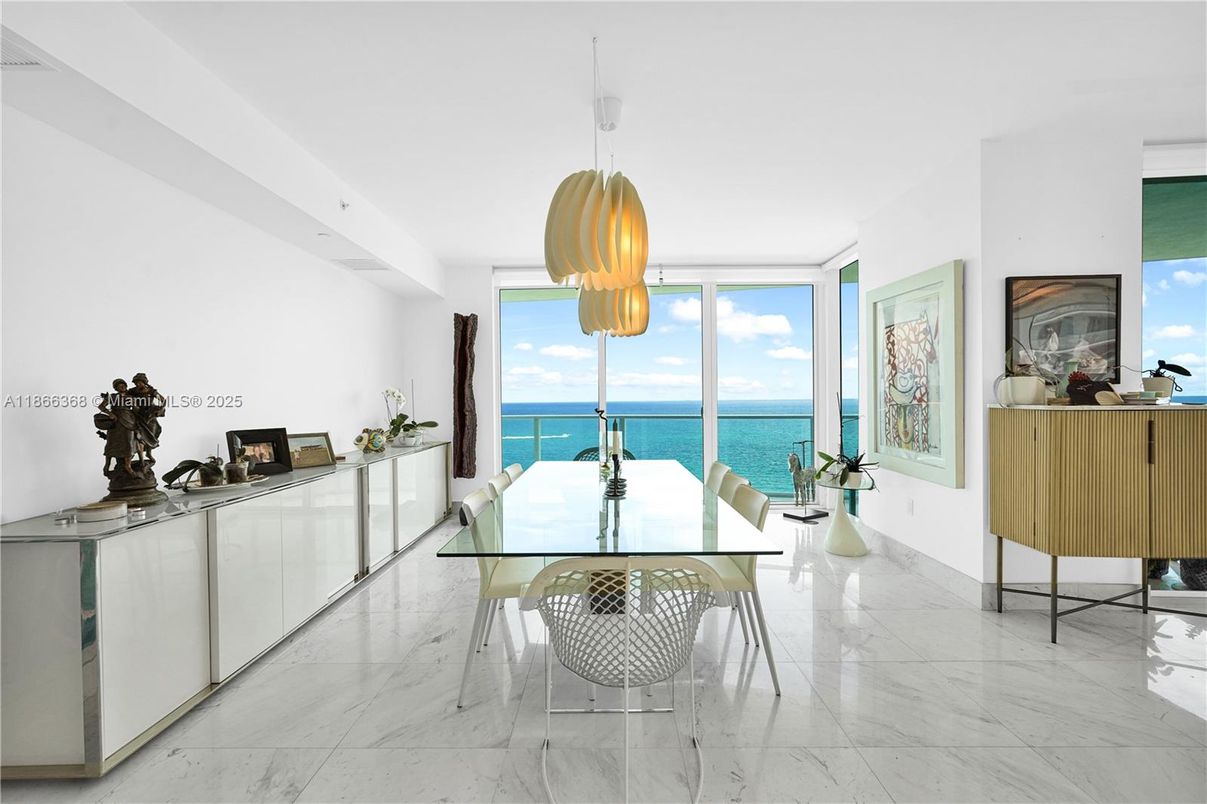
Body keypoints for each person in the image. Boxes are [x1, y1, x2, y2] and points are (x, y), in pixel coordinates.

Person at [97, 379, 138, 475]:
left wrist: (134, 404)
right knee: (112, 443)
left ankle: (127, 466)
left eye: (123, 385)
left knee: (129, 442)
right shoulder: (113, 397)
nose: (122, 386)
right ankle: (107, 465)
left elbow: (136, 410)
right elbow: (101, 406)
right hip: (116, 422)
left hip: (129, 421)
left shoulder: (130, 397)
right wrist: (110, 413)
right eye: (119, 386)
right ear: (116, 388)